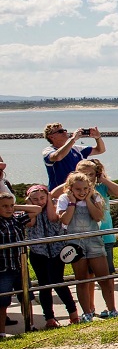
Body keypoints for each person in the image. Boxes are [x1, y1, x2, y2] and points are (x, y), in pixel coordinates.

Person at [56, 171, 118, 321]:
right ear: (70, 188)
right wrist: (72, 203)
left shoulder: (94, 197)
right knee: (82, 279)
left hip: (94, 239)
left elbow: (98, 217)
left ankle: (112, 309)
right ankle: (87, 312)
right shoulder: (64, 199)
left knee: (103, 277)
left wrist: (89, 199)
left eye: (85, 188)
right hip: (75, 242)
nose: (82, 192)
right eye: (78, 189)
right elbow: (64, 220)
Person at [24, 185, 79, 328]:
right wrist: (31, 206)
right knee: (44, 285)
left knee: (57, 281)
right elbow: (30, 223)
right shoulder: (27, 211)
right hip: (38, 252)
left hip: (56, 251)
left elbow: (53, 219)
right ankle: (49, 318)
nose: (39, 201)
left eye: (42, 198)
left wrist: (49, 200)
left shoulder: (54, 206)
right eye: (35, 199)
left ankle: (73, 313)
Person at [0, 191, 42, 335]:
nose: (9, 209)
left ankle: (29, 325)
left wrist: (14, 207)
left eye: (10, 206)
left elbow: (37, 209)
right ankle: (1, 331)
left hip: (20, 266)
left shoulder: (16, 219)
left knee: (26, 297)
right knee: (3, 301)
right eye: (5, 206)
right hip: (3, 268)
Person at [41, 122, 106, 189]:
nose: (64, 132)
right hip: (59, 193)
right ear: (51, 137)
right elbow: (58, 156)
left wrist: (98, 138)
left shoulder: (76, 149)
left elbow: (100, 150)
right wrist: (73, 139)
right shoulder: (48, 150)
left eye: (64, 130)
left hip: (78, 192)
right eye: (60, 131)